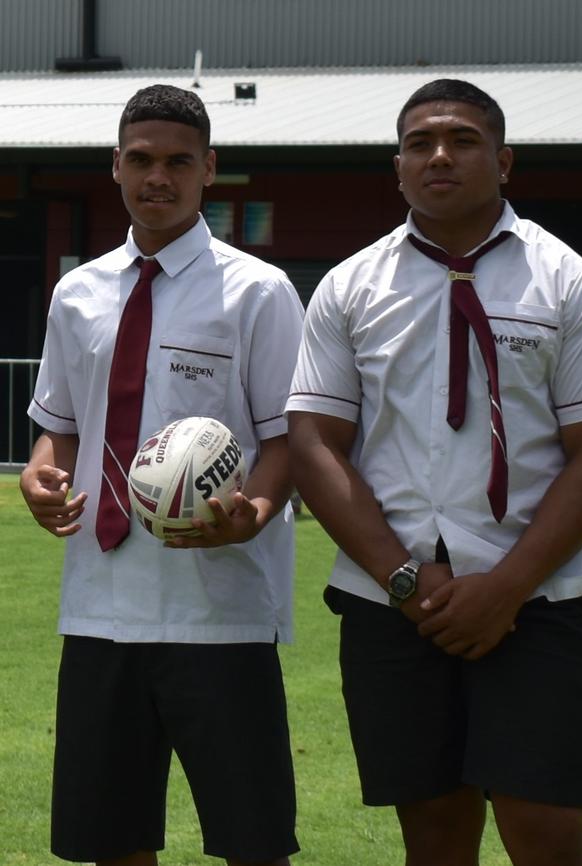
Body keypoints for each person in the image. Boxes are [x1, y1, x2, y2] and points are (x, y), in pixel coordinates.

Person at [286, 78, 582, 866]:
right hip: (394, 603)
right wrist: (405, 581)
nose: (439, 156)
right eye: (420, 144)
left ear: (504, 160)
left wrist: (506, 587)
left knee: (546, 832)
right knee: (435, 833)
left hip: (540, 602)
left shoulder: (568, 281)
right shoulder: (349, 287)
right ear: (398, 167)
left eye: (463, 140)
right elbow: (315, 441)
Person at [20, 84, 303, 866]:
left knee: (253, 843)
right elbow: (61, 428)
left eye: (179, 162)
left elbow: (286, 439)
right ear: (115, 166)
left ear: (209, 169)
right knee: (112, 844)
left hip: (220, 609)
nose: (158, 177)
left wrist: (258, 506)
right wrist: (40, 477)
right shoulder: (77, 293)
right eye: (140, 159)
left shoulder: (258, 291)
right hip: (100, 610)